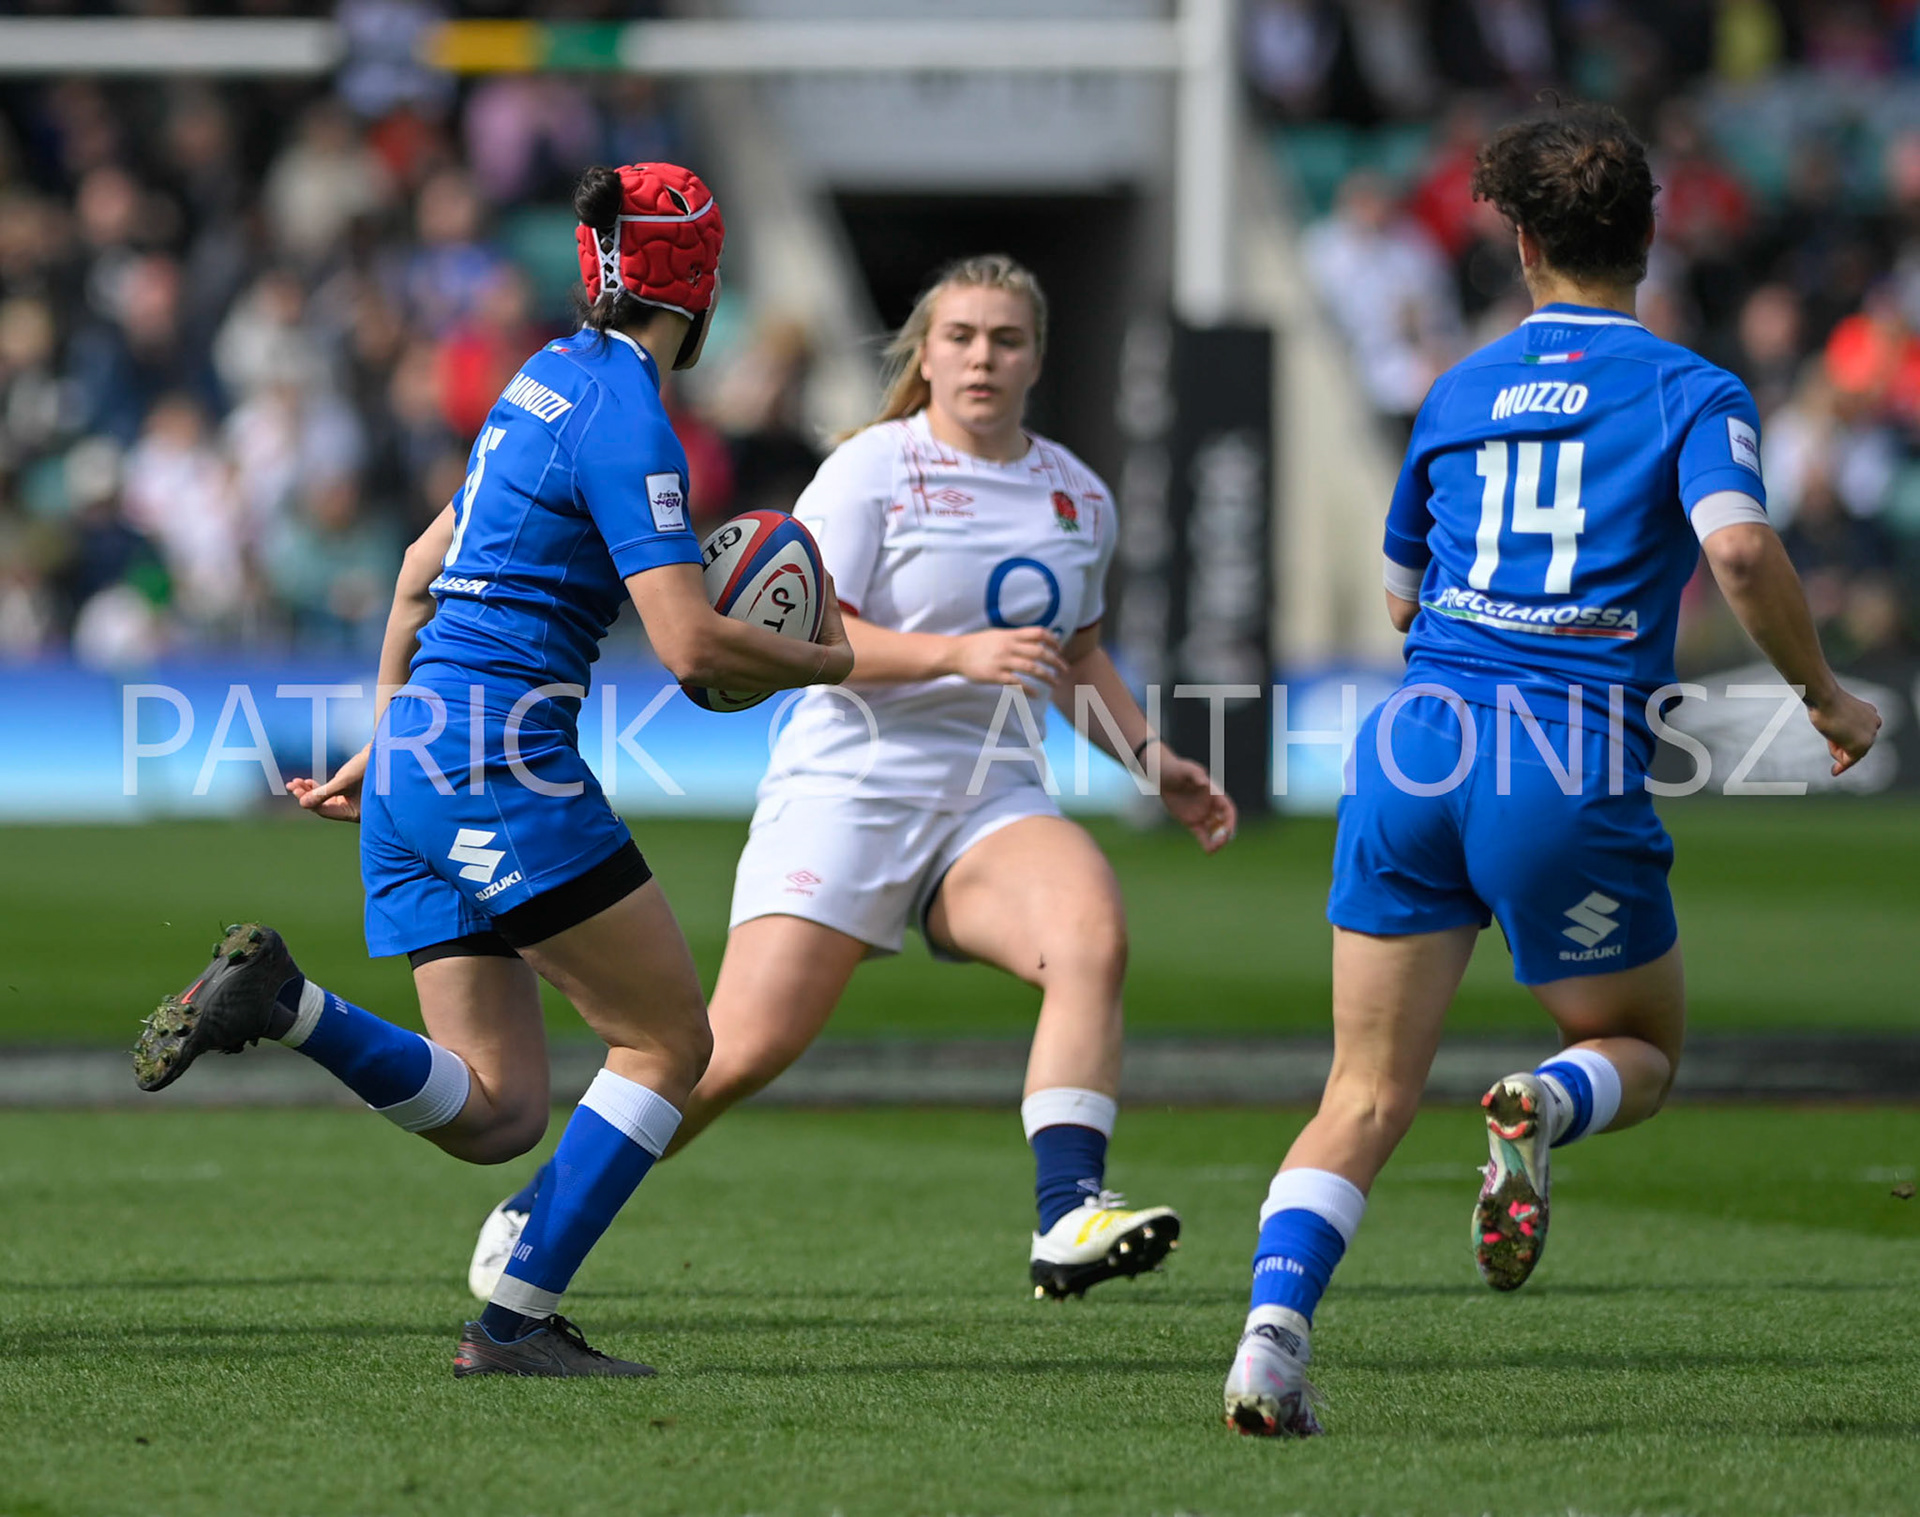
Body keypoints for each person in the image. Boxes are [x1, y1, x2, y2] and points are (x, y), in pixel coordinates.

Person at [1221, 103, 1882, 1437]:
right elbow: (1738, 549)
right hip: (1558, 755)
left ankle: (1269, 1347)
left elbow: (1403, 595)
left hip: (1414, 744)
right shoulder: (1694, 389)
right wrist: (1823, 692)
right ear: (1650, 236)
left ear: (1520, 243)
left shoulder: (1457, 391)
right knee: (1638, 1046)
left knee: (1362, 1091)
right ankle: (1544, 1101)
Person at [132, 163, 854, 1379]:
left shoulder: (538, 380)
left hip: (423, 745)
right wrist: (829, 659)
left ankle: (283, 1003)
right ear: (702, 288)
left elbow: (419, 569)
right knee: (668, 1042)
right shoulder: (631, 418)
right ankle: (514, 1325)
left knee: (500, 1109)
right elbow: (688, 647)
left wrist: (387, 739)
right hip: (498, 752)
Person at [468, 254, 1238, 1305]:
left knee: (1090, 933)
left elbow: (1077, 655)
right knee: (732, 1052)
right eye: (960, 336)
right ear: (926, 353)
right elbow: (806, 638)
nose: (982, 356)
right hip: (846, 790)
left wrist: (1155, 763)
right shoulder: (872, 470)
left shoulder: (1079, 495)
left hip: (991, 795)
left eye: (1005, 339)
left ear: (1036, 358)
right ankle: (541, 1208)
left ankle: (1068, 1212)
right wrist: (956, 653)